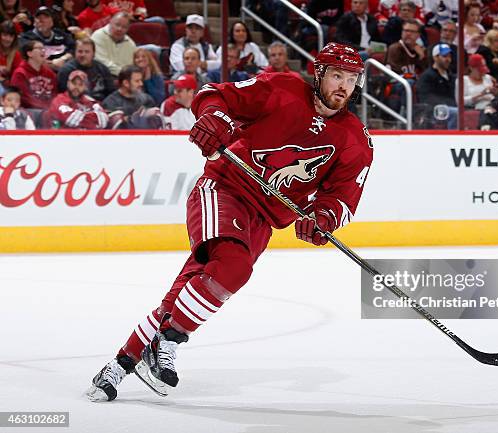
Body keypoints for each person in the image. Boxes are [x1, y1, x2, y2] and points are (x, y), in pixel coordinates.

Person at [86, 42, 374, 402]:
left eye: (351, 78)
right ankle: (168, 340)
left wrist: (324, 217)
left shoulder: (356, 140)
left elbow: (343, 197)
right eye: (336, 75)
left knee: (195, 286)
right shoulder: (281, 89)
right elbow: (214, 95)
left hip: (263, 221)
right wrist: (213, 119)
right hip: (224, 189)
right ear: (318, 74)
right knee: (233, 268)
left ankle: (121, 362)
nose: (343, 86)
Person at [57, 37, 115, 101]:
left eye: (87, 52)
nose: (83, 55)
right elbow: (64, 95)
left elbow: (111, 92)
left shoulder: (102, 68)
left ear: (93, 53)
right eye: (80, 51)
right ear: (75, 53)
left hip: (101, 105)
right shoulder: (66, 70)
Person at [19, 6, 75, 71]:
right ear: (34, 22)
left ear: (52, 21)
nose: (41, 20)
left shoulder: (61, 34)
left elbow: (74, 48)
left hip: (64, 70)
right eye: (38, 17)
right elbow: (29, 58)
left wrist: (63, 59)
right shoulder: (26, 37)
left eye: (46, 17)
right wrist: (54, 65)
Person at [416, 43, 457, 128]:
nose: (448, 59)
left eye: (449, 56)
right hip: (434, 110)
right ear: (435, 57)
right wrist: (446, 104)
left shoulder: (451, 76)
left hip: (450, 107)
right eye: (444, 56)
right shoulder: (427, 76)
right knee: (456, 113)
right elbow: (426, 97)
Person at [10, 40, 57, 109]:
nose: (43, 51)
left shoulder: (49, 73)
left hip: (49, 110)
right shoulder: (20, 73)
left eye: (44, 49)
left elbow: (55, 93)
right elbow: (24, 99)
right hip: (30, 110)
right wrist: (45, 108)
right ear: (29, 53)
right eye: (39, 48)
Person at [91, 12, 137, 76]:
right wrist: (124, 74)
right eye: (117, 25)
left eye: (124, 27)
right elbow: (101, 63)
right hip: (102, 76)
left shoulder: (131, 44)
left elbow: (132, 67)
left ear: (127, 29)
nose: (119, 29)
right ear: (110, 22)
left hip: (125, 79)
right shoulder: (98, 36)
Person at [0, 20, 21, 86]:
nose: (8, 39)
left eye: (11, 36)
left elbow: (17, 76)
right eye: (5, 35)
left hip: (8, 86)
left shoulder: (16, 55)